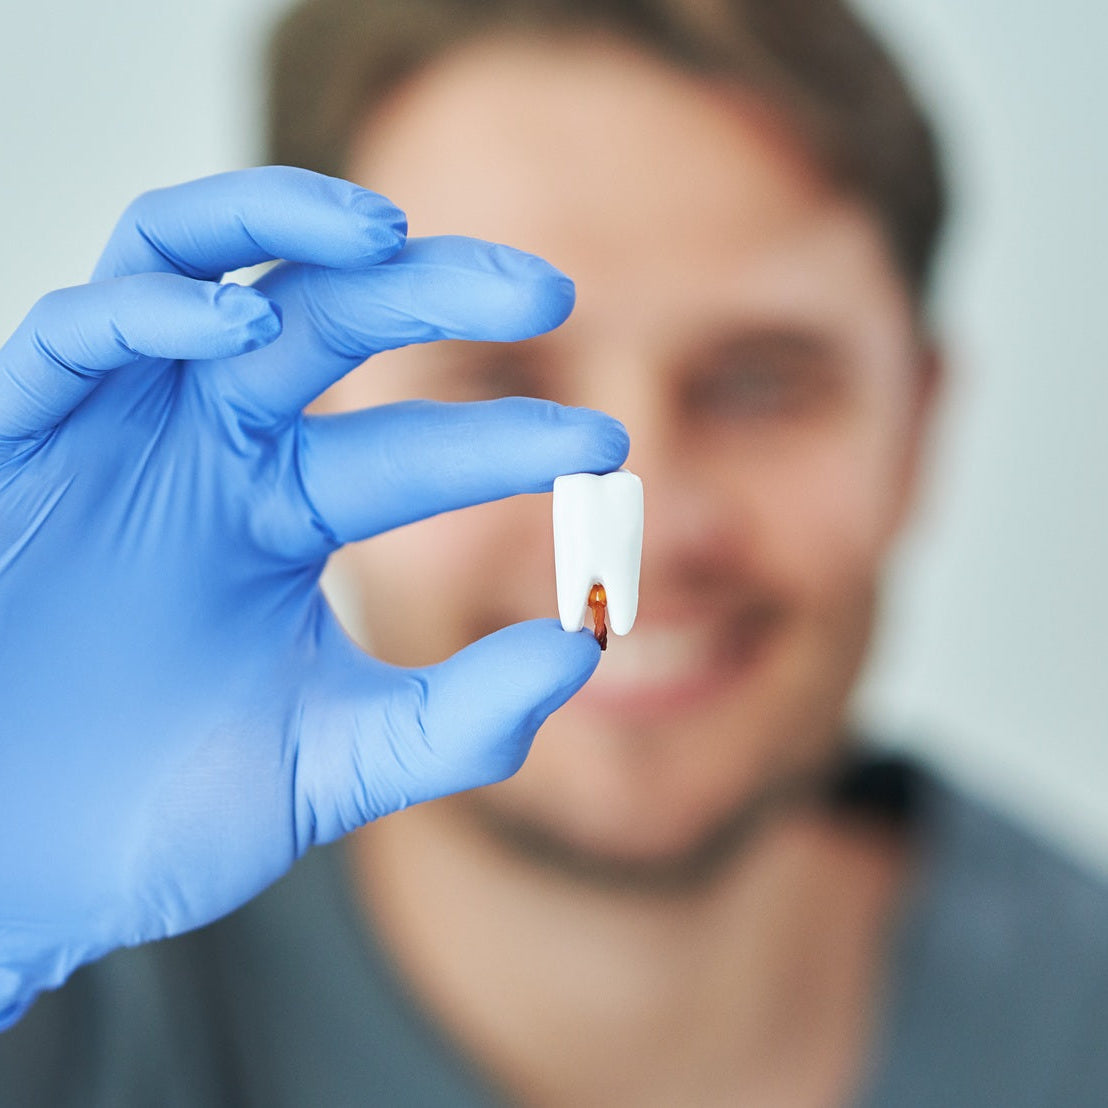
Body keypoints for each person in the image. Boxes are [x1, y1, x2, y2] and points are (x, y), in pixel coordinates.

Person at [2, 0, 1107, 1104]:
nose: (651, 523)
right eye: (493, 378)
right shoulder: (57, 985)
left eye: (760, 381)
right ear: (308, 404)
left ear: (913, 431)